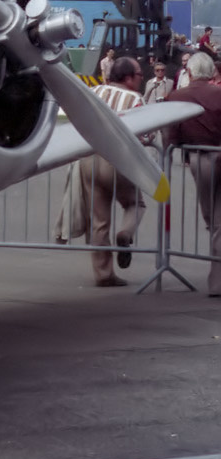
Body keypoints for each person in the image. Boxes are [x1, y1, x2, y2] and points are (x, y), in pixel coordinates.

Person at [85, 55, 147, 286]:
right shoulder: (135, 99)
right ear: (129, 78)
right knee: (135, 204)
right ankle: (126, 234)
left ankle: (103, 274)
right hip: (118, 160)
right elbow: (145, 133)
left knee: (99, 220)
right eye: (139, 74)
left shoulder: (95, 92)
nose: (141, 78)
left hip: (88, 158)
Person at [164, 52, 221, 297]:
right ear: (212, 73)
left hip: (198, 159)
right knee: (218, 221)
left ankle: (217, 280)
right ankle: (217, 280)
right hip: (217, 152)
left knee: (213, 218)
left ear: (189, 73)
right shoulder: (218, 95)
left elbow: (170, 135)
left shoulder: (176, 97)